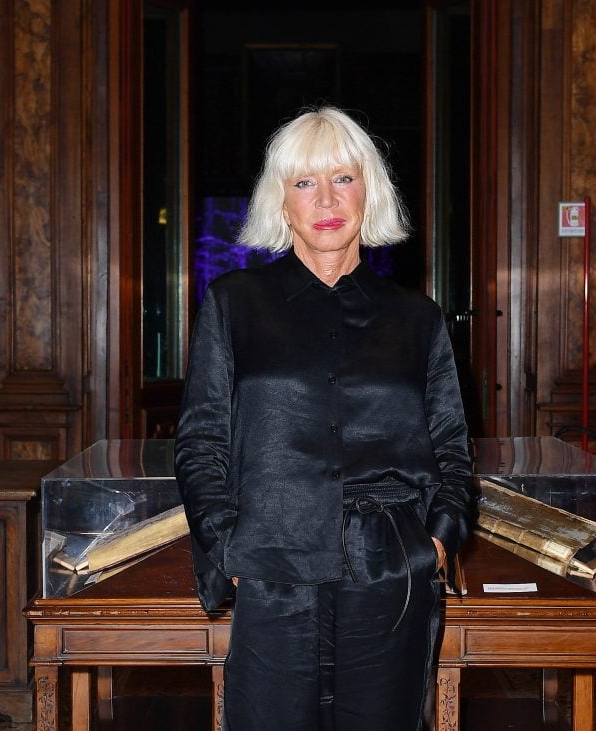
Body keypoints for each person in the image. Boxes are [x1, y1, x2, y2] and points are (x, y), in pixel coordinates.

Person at [174, 106, 474, 731]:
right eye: (305, 182)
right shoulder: (234, 305)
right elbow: (201, 441)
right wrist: (226, 544)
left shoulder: (418, 319)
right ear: (281, 202)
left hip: (391, 569)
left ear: (372, 193)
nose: (327, 199)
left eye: (344, 178)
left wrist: (438, 541)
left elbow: (452, 449)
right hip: (269, 563)